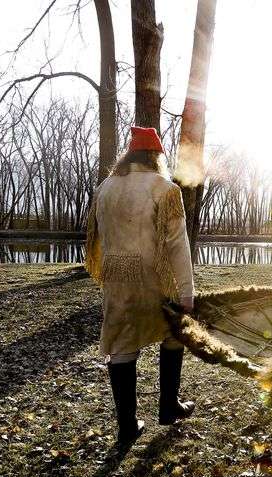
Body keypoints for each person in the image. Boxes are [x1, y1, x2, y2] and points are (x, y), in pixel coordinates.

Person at [86, 126, 195, 445]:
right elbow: (177, 243)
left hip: (116, 277)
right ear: (155, 156)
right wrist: (187, 292)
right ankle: (169, 405)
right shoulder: (165, 188)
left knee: (121, 343)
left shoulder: (105, 187)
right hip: (154, 277)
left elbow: (97, 237)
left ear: (129, 155)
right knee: (174, 332)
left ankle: (127, 426)